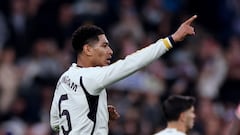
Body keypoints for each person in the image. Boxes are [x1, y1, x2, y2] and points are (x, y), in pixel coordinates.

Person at [50, 15, 197, 135]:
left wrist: (97, 113)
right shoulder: (92, 77)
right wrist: (172, 39)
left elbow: (55, 123)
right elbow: (132, 63)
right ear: (88, 49)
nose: (110, 51)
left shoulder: (64, 78)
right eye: (104, 45)